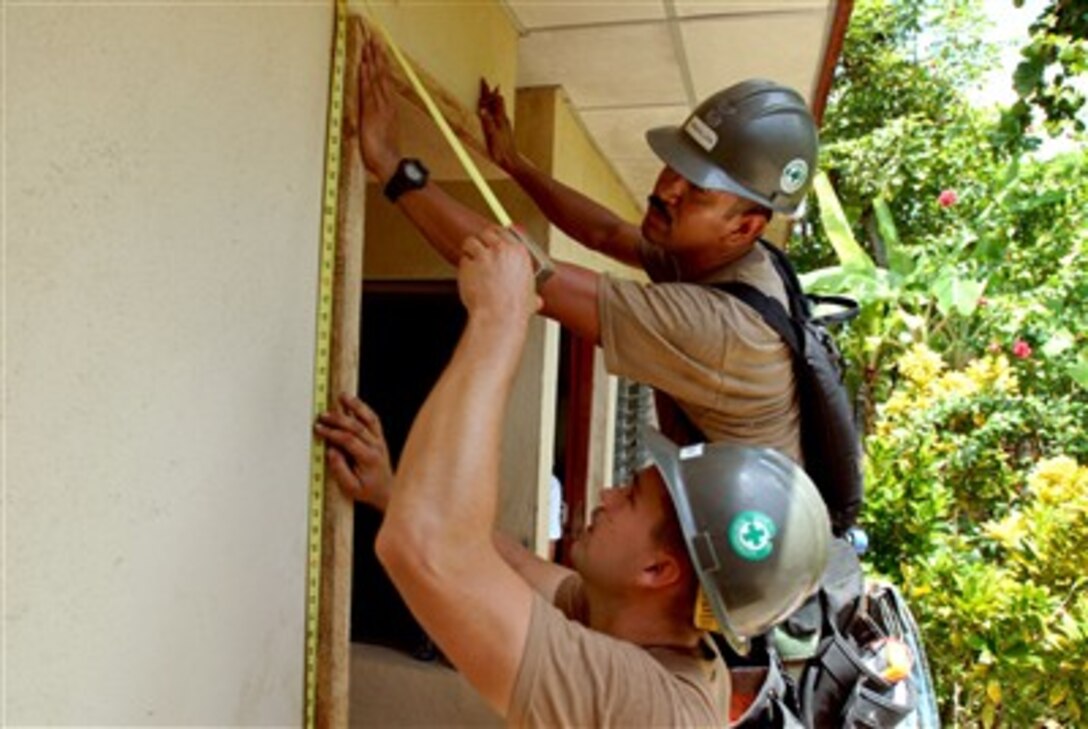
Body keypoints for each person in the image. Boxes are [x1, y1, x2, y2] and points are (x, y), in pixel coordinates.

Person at [314, 231, 832, 725]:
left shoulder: (650, 709)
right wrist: (392, 490)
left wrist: (500, 318)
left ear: (657, 570)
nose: (607, 493)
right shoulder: (639, 621)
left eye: (631, 496)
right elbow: (513, 566)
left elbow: (427, 549)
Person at [355, 20, 820, 459]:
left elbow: (526, 277)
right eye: (676, 167)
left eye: (697, 189)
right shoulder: (714, 255)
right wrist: (517, 164)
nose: (666, 190)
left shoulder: (719, 329)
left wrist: (393, 167)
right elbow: (606, 232)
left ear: (745, 227)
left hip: (740, 537)